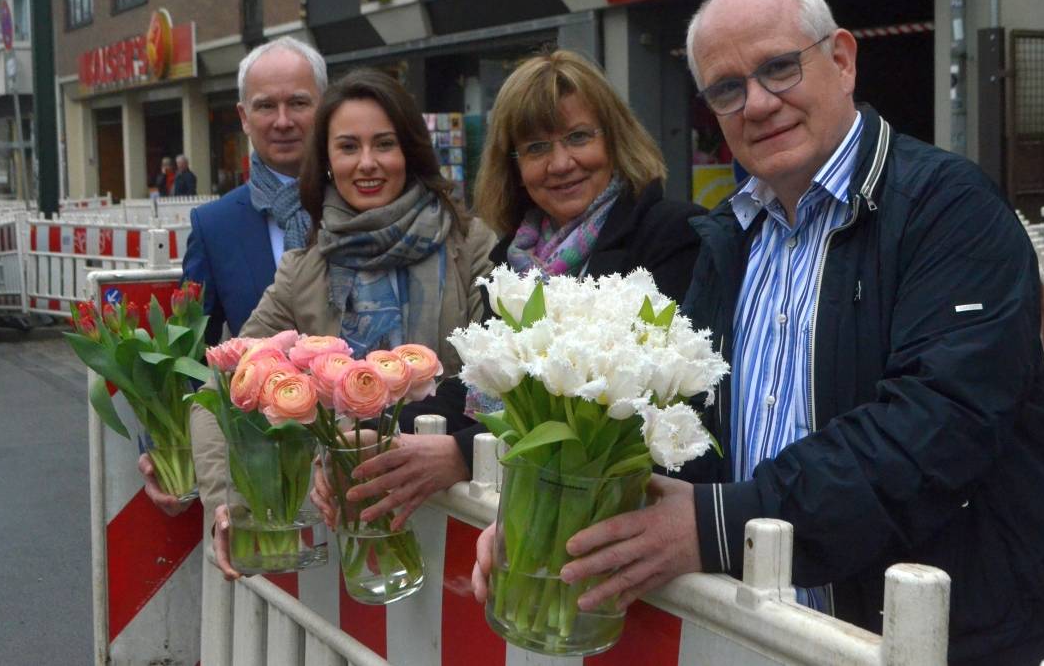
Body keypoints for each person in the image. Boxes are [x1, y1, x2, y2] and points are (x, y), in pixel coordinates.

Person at [473, 0, 1044, 665]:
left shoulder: (947, 208)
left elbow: (935, 425)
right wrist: (548, 515)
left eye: (779, 67)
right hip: (762, 634)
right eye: (726, 88)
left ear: (842, 59)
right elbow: (680, 428)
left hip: (930, 641)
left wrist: (719, 526)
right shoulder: (730, 235)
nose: (757, 102)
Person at [346, 49, 705, 533]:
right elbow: (480, 389)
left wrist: (464, 454)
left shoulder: (668, 234)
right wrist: (375, 434)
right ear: (512, 165)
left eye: (578, 137)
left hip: (620, 524)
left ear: (615, 138)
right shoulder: (512, 259)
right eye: (536, 148)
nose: (561, 163)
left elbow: (618, 415)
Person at [200, 68, 497, 576]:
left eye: (384, 144)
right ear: (328, 163)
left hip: (458, 528)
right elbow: (222, 386)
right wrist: (227, 503)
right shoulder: (303, 270)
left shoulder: (472, 248)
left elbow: (497, 385)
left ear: (411, 152)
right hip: (334, 536)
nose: (367, 163)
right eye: (348, 147)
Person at [139, 36, 327, 516]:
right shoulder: (215, 226)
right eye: (266, 105)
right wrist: (164, 443)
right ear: (244, 117)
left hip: (362, 453)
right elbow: (188, 350)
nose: (282, 120)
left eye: (298, 103)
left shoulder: (366, 201)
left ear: (325, 107)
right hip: (261, 476)